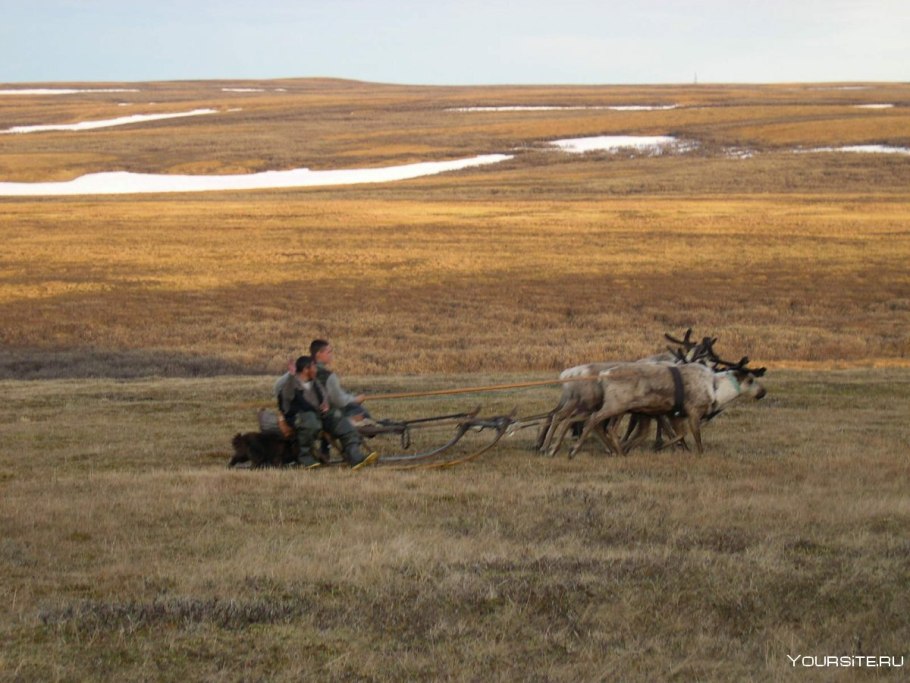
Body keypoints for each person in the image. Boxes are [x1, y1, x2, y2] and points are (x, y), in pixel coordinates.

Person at [280, 355, 378, 471]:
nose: (316, 370)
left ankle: (355, 456)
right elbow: (286, 398)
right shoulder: (291, 384)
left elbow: (324, 395)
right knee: (310, 421)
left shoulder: (315, 382)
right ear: (306, 369)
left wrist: (325, 404)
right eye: (313, 367)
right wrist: (291, 376)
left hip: (319, 415)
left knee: (339, 418)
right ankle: (305, 458)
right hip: (300, 417)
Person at [309, 339, 373, 423]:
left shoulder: (300, 369)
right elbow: (338, 401)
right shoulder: (328, 376)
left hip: (307, 411)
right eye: (328, 352)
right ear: (318, 354)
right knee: (361, 412)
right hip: (324, 414)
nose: (331, 355)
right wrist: (355, 399)